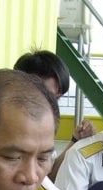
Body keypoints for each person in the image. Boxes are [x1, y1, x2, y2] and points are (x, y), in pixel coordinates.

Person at [11, 49, 96, 178]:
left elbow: (48, 177)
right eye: (47, 97)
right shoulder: (3, 128)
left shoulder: (42, 128)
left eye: (57, 99)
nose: (52, 106)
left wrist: (75, 141)